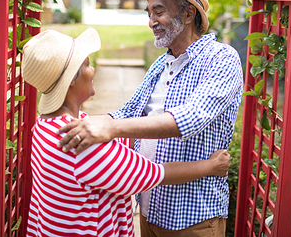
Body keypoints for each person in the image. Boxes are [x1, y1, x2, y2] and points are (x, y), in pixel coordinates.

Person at [57, 0, 244, 236]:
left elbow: (192, 117)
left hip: (193, 218)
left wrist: (112, 128)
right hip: (150, 210)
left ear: (189, 15)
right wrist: (88, 123)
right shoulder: (161, 64)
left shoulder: (221, 58)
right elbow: (129, 112)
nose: (151, 22)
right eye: (148, 14)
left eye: (159, 12)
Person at [21, 28, 231, 237]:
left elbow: (122, 128)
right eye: (86, 64)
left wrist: (113, 127)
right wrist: (211, 166)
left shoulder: (44, 126)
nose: (92, 69)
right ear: (71, 81)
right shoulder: (82, 145)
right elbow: (157, 173)